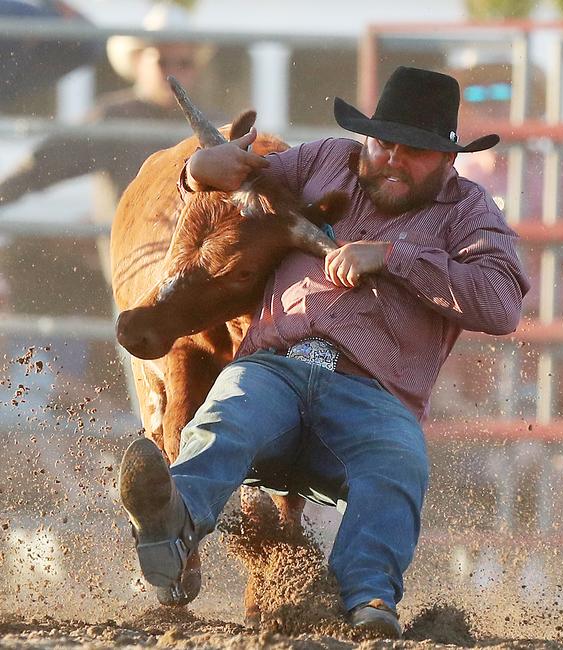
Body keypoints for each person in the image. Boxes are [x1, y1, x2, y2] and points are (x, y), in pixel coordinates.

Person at [118, 66, 530, 639]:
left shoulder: (468, 213)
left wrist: (393, 257)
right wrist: (194, 173)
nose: (392, 159)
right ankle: (173, 519)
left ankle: (366, 598)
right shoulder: (323, 161)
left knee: (397, 462)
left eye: (415, 152)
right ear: (368, 138)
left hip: (374, 391)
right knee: (230, 412)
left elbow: (503, 301)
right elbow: (238, 190)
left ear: (447, 160)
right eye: (384, 143)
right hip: (277, 368)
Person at [0, 2, 218, 278]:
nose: (173, 72)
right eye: (162, 61)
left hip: (200, 273)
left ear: (195, 68)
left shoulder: (212, 124)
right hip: (138, 271)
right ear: (138, 61)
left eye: (183, 63)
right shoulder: (111, 119)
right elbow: (41, 166)